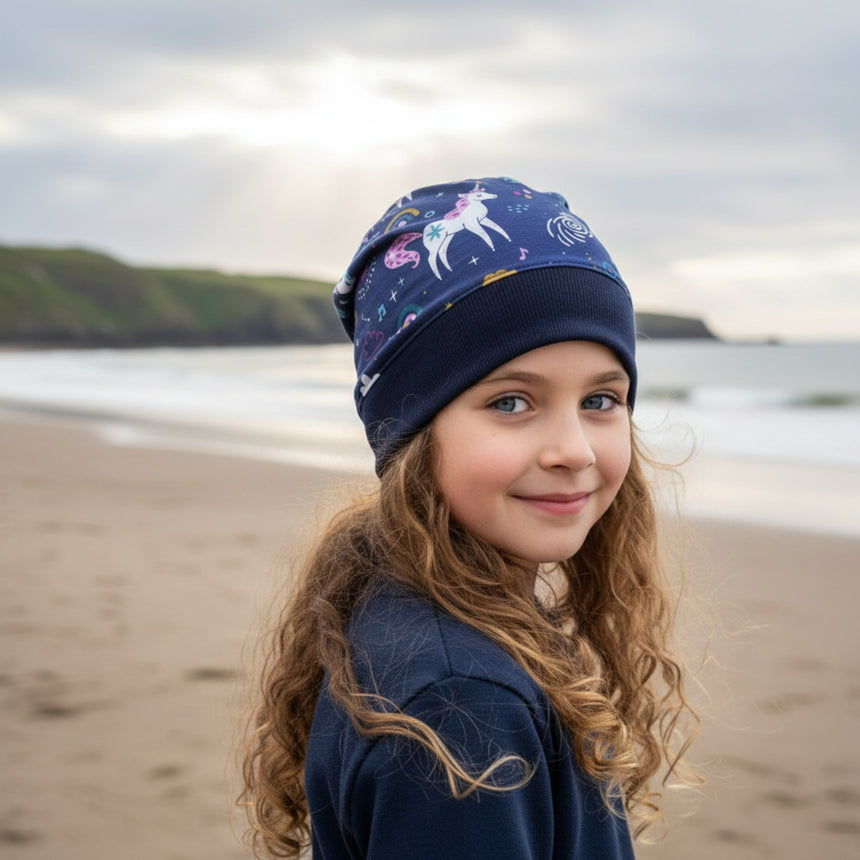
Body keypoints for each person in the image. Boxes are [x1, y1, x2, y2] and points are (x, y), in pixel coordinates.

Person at [240, 177, 699, 858]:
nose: (574, 450)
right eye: (511, 402)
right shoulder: (461, 705)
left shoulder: (428, 621)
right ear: (413, 432)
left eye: (601, 401)